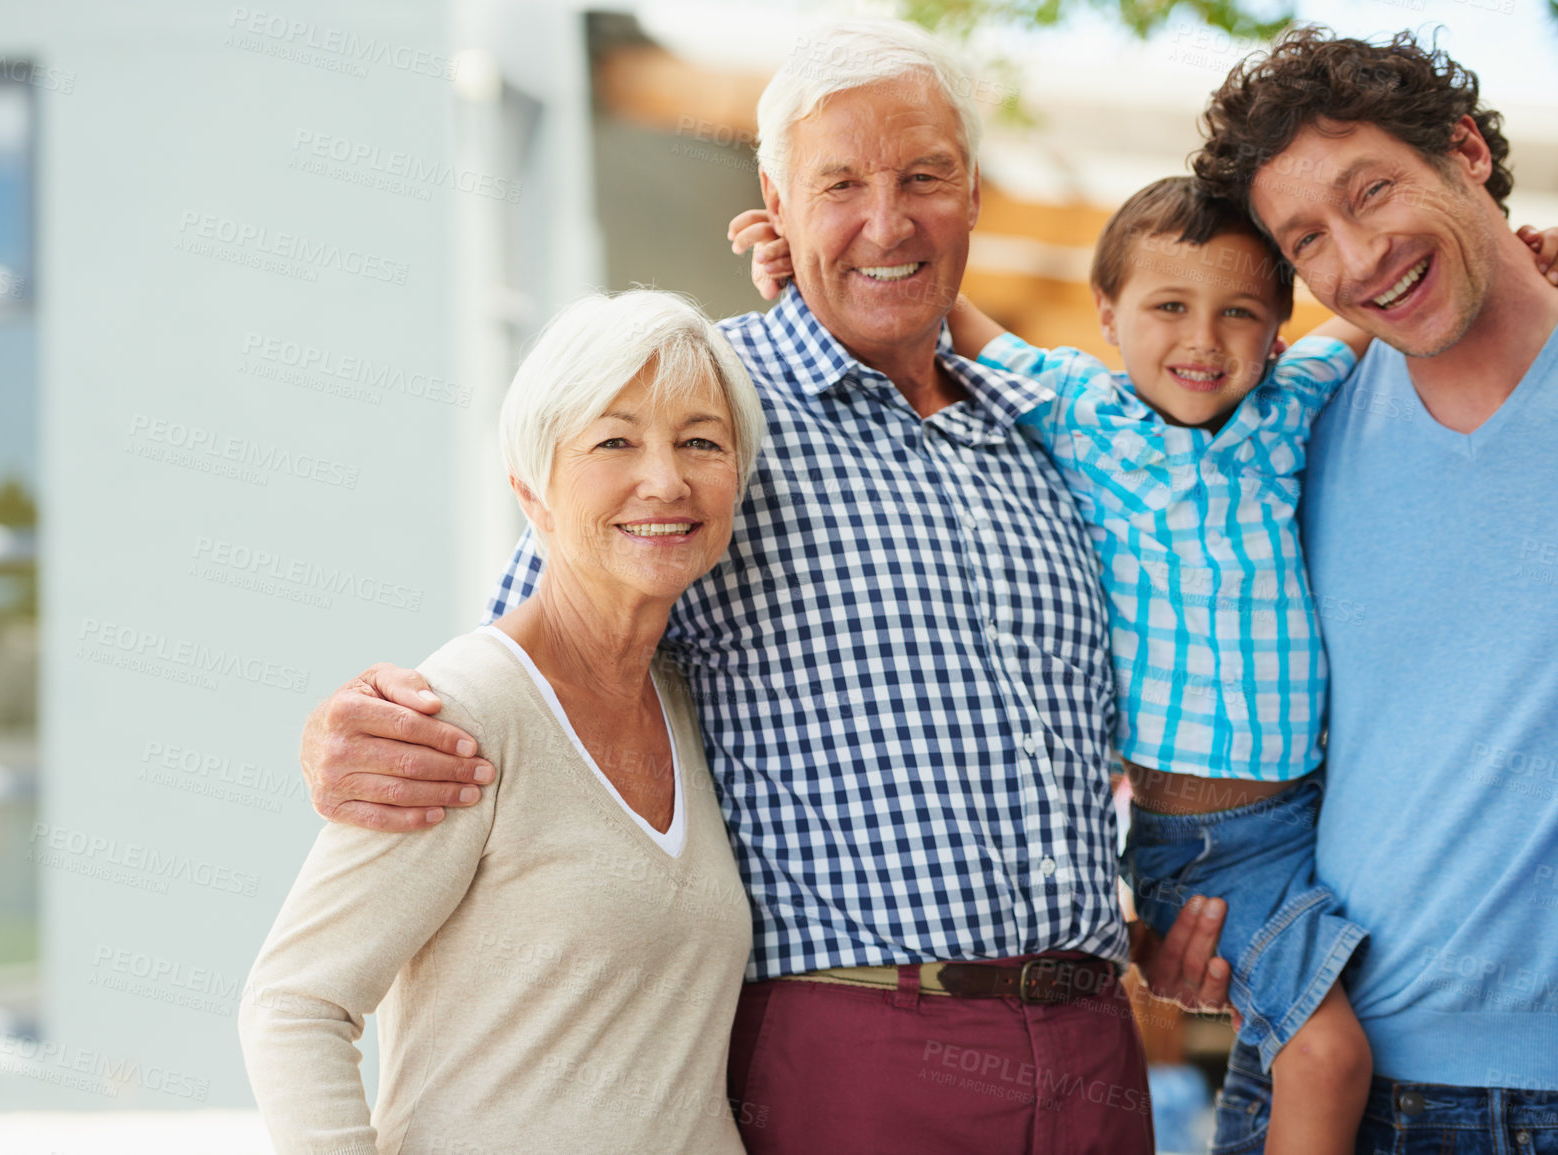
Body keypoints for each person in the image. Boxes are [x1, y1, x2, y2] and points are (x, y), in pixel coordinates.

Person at [296, 19, 1234, 1154]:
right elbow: (539, 679)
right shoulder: (699, 421)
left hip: (1091, 1049)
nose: (886, 222)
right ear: (776, 205)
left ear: (974, 194)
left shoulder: (1058, 433)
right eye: (839, 182)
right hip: (849, 1055)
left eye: (923, 177)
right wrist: (370, 733)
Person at [731, 177, 1558, 1154]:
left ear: (1276, 332)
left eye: (1239, 313)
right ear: (1109, 316)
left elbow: (1371, 314)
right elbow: (943, 303)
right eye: (1169, 307)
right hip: (1200, 841)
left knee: (1319, 1042)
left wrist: (1509, 260)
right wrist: (812, 257)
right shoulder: (1082, 411)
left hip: (1306, 821)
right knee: (1328, 1057)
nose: (1203, 340)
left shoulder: (1290, 404)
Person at [239, 289, 765, 1154]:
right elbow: (294, 1002)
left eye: (700, 441)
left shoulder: (684, 701)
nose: (666, 478)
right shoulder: (465, 710)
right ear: (534, 493)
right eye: (614, 440)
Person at [1188, 26, 1558, 1153]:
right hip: (1314, 1084)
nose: (1358, 258)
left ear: (1464, 150)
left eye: (1374, 191)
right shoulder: (1286, 444)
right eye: (1309, 239)